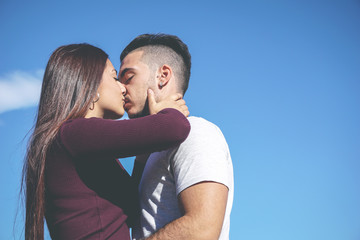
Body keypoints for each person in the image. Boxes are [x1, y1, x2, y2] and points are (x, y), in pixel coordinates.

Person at [22, 43, 191, 240]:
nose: (122, 88)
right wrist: (167, 109)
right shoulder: (75, 133)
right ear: (90, 83)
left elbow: (132, 209)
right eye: (114, 77)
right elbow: (175, 127)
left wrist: (144, 153)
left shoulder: (74, 142)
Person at [119, 33, 234, 240]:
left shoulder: (196, 132)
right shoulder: (151, 150)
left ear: (163, 75)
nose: (121, 88)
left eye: (128, 77)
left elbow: (202, 229)